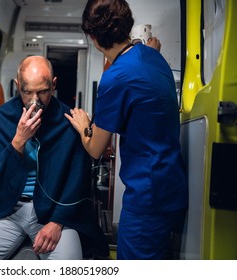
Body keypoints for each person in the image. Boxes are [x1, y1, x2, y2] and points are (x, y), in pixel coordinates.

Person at [0, 55, 109, 260]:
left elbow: (78, 180)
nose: (35, 100)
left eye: (42, 92)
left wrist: (57, 223)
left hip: (53, 213)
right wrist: (18, 142)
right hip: (6, 211)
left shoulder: (68, 121)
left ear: (53, 85)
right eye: (27, 92)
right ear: (17, 86)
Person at [65, 0, 188, 260]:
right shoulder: (153, 57)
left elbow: (96, 148)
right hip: (172, 184)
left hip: (147, 198)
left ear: (92, 37)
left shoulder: (116, 77)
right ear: (127, 25)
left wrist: (83, 125)